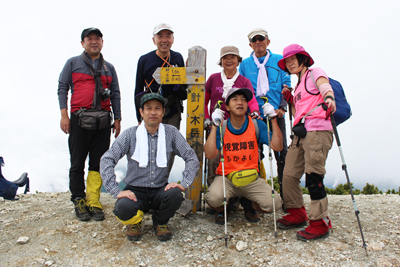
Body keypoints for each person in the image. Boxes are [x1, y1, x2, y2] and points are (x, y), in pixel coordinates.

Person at [100, 93, 199, 242]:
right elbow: (107, 159)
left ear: (163, 112)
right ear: (141, 112)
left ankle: (160, 222)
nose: (153, 112)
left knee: (176, 195)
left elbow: (191, 157)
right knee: (123, 207)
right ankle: (135, 222)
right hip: (135, 189)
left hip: (160, 188)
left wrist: (184, 183)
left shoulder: (170, 133)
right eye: (148, 108)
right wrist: (115, 190)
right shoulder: (130, 134)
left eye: (157, 108)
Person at [58, 27, 121, 222]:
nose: (94, 42)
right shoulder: (73, 63)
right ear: (82, 43)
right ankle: (78, 199)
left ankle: (93, 200)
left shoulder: (109, 67)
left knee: (98, 162)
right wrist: (64, 115)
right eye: (89, 39)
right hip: (78, 119)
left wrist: (117, 118)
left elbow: (116, 93)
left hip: (103, 120)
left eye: (97, 38)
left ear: (102, 42)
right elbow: (63, 87)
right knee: (77, 161)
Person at [276, 44, 336, 241]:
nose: (290, 63)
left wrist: (329, 97)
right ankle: (297, 212)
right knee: (289, 173)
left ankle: (320, 222)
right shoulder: (300, 83)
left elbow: (324, 86)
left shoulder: (313, 73)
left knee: (314, 177)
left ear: (303, 59)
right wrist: (291, 99)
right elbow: (300, 110)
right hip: (301, 133)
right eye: (287, 61)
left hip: (318, 131)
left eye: (294, 58)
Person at [204, 87, 282, 224]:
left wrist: (273, 119)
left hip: (251, 179)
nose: (240, 102)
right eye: (234, 99)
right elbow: (210, 154)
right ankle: (225, 207)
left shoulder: (256, 125)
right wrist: (215, 125)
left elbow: (277, 146)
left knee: (274, 203)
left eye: (243, 100)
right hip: (227, 178)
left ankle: (249, 204)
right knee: (213, 198)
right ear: (227, 107)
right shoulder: (222, 127)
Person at [239, 28, 291, 198]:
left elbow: (286, 84)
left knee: (281, 152)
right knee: (255, 153)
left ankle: (285, 194)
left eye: (261, 39)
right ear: (250, 44)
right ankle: (257, 194)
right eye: (254, 40)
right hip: (254, 114)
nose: (258, 43)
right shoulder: (245, 64)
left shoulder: (279, 60)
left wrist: (282, 107)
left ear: (268, 41)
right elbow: (242, 87)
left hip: (276, 113)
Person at [135, 23, 187, 174]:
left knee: (169, 146)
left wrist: (178, 86)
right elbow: (138, 89)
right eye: (160, 36)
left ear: (173, 39)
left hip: (172, 109)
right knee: (149, 145)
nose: (164, 40)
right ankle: (146, 181)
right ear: (154, 40)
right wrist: (139, 115)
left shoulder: (177, 58)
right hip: (151, 108)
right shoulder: (144, 60)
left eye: (168, 36)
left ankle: (162, 181)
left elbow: (184, 92)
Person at [204, 46, 259, 187]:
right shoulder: (213, 79)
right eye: (225, 58)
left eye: (233, 57)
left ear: (238, 60)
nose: (229, 61)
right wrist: (207, 119)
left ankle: (237, 195)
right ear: (221, 61)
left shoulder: (244, 81)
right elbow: (204, 100)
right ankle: (213, 194)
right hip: (216, 126)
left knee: (236, 159)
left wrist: (255, 112)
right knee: (213, 159)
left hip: (237, 127)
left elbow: (251, 99)